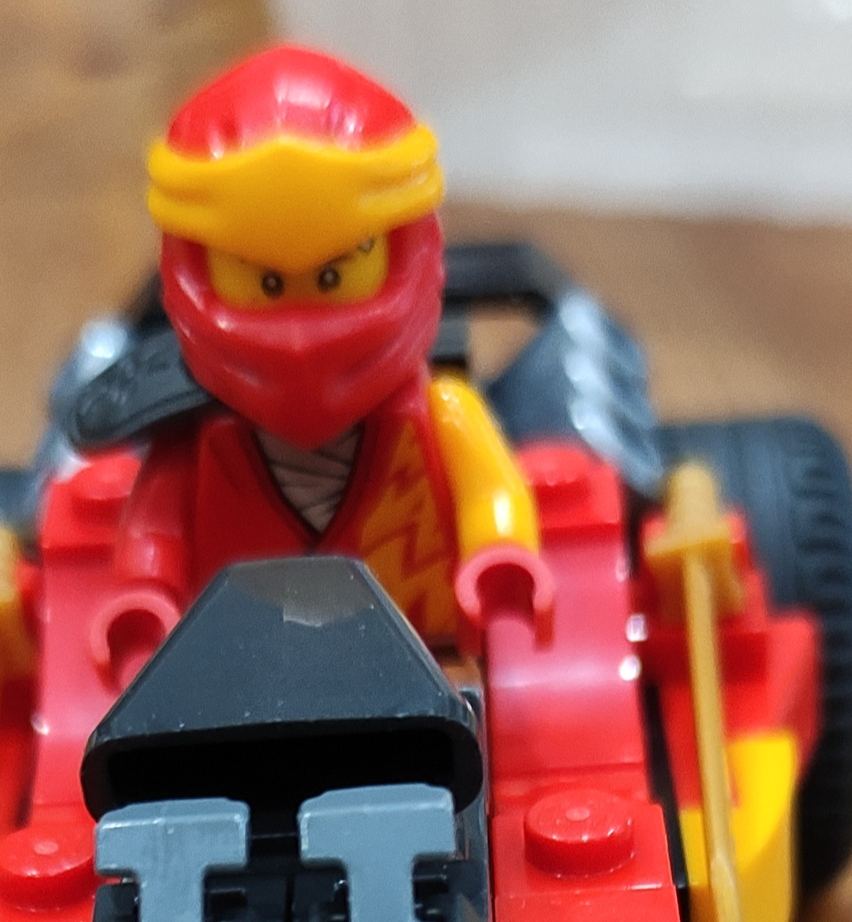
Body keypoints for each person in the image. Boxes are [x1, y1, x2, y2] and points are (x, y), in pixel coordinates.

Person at [92, 45, 555, 692]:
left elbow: (491, 493)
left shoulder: (444, 411)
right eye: (264, 282)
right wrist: (144, 596)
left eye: (337, 276)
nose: (298, 337)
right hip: (234, 685)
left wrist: (500, 555)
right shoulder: (192, 441)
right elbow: (154, 533)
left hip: (431, 668)